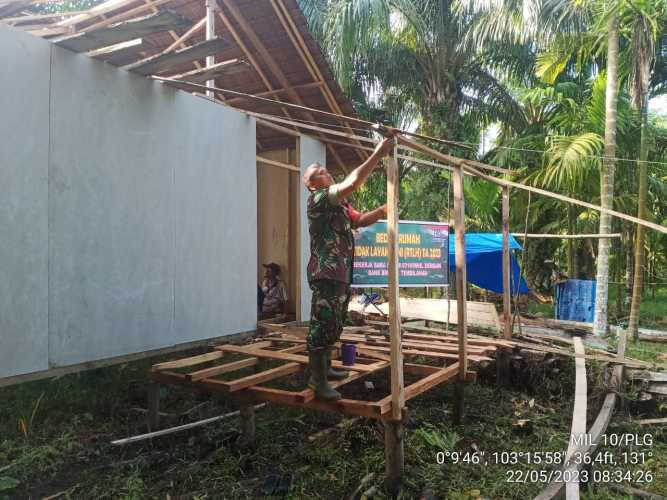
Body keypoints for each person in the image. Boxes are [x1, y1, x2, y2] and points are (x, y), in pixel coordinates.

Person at [303, 135, 395, 400]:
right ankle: (316, 380)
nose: (325, 172)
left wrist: (380, 211)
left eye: (324, 169)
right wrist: (378, 152)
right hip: (326, 272)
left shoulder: (340, 205)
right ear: (311, 185)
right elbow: (353, 182)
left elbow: (359, 220)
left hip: (341, 272)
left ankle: (327, 369)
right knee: (323, 322)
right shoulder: (319, 199)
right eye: (318, 172)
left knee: (336, 321)